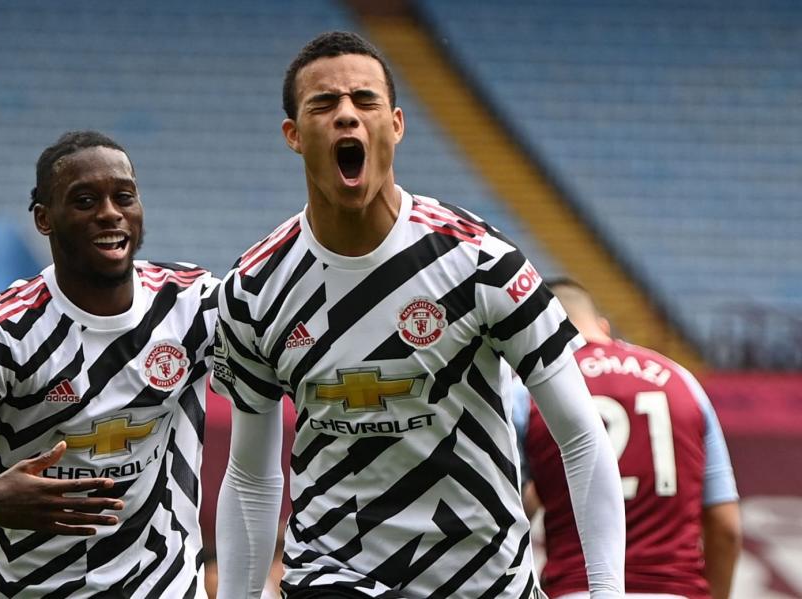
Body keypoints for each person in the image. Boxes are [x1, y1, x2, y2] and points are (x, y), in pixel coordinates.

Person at [209, 31, 626, 598]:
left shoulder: (480, 261)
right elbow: (252, 478)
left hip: (482, 579)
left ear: (397, 125)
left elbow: (580, 436)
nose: (347, 116)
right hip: (335, 573)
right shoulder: (254, 288)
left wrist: (606, 592)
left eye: (365, 100)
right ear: (293, 135)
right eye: (324, 105)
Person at [0, 131, 219, 597]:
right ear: (45, 220)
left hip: (162, 585)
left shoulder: (191, 306)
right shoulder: (2, 332)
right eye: (84, 200)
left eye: (123, 196)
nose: (110, 212)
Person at [514, 278, 741, 599]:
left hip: (579, 589)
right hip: (678, 589)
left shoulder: (526, 392)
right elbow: (726, 527)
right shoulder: (682, 382)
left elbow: (509, 512)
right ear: (603, 326)